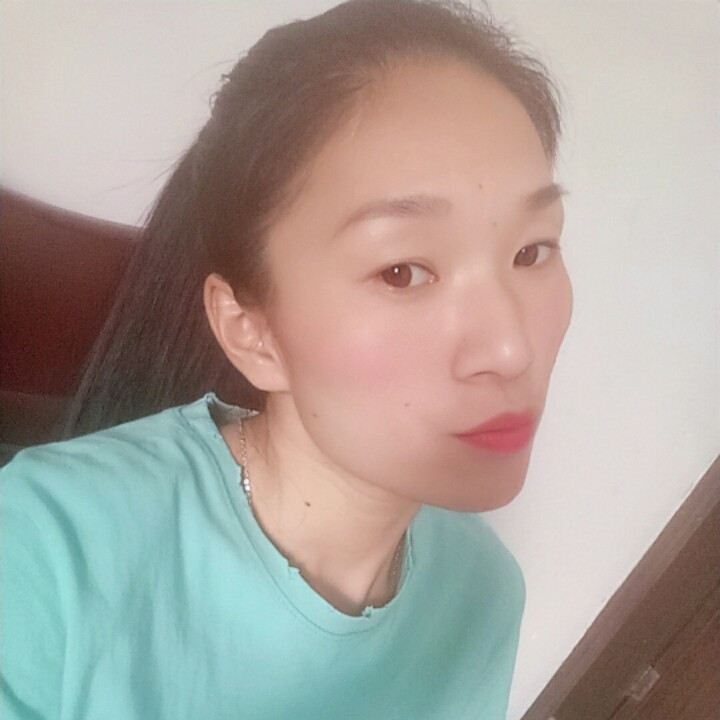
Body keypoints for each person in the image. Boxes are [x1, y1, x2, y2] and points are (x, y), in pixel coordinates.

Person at [1, 0, 573, 717]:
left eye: (532, 251)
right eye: (402, 271)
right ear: (251, 332)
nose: (512, 348)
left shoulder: (482, 596)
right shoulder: (39, 555)